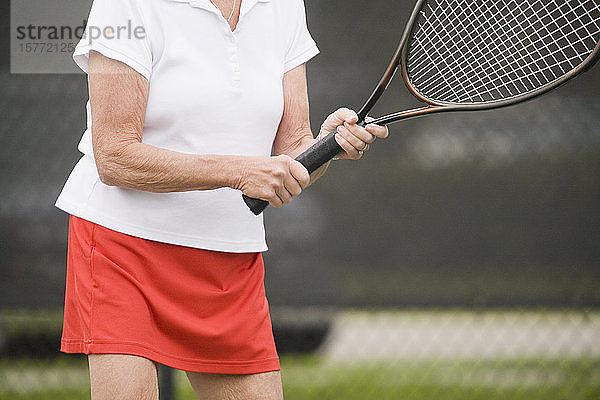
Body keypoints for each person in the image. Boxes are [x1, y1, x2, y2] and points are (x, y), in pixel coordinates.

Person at [55, 0, 389, 398]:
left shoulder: (283, 6)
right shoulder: (124, 5)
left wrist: (327, 144)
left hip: (230, 255)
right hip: (122, 246)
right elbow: (115, 157)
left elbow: (292, 151)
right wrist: (239, 171)